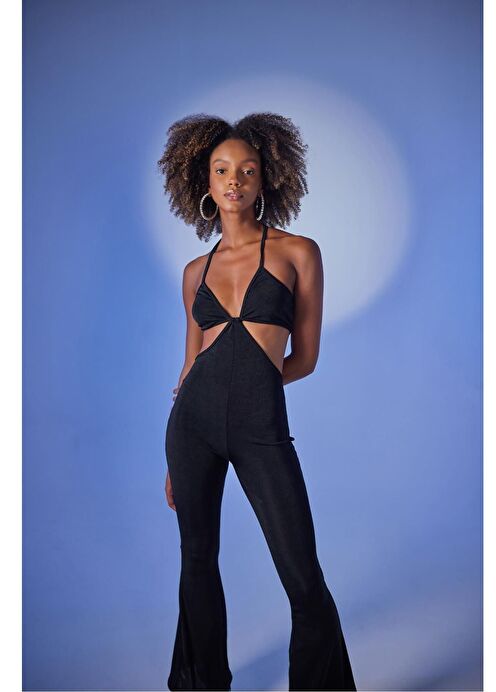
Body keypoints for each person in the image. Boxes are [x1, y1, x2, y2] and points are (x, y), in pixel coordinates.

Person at [158, 112, 357, 691]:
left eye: (247, 170)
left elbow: (305, 357)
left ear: (266, 178)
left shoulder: (299, 252)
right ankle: (202, 684)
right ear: (203, 181)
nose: (234, 180)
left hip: (260, 426)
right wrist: (172, 457)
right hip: (191, 428)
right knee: (196, 561)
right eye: (221, 170)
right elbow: (190, 365)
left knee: (303, 577)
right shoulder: (196, 272)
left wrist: (256, 393)